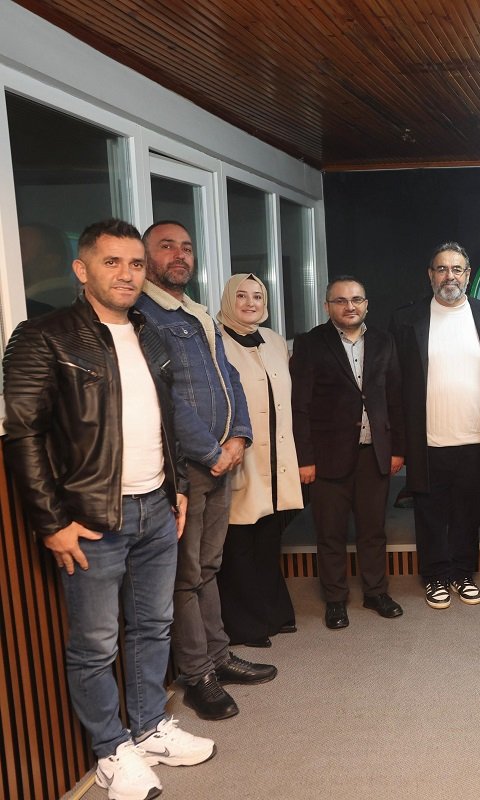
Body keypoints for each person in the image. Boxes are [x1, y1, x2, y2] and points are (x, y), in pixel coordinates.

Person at [3, 218, 215, 800]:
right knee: (96, 643)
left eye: (136, 263)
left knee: (153, 626)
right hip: (92, 518)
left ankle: (147, 729)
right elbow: (22, 435)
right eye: (112, 262)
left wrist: (175, 487)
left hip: (155, 508)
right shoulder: (43, 336)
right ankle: (110, 750)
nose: (127, 274)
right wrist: (51, 523)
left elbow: (166, 420)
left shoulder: (150, 333)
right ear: (82, 269)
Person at [137, 221, 276, 721]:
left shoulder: (194, 312)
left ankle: (218, 656)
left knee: (209, 566)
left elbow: (229, 376)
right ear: (146, 256)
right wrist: (210, 450)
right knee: (186, 574)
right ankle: (197, 674)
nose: (179, 255)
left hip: (222, 459)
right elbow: (165, 397)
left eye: (187, 248)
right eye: (166, 247)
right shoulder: (144, 315)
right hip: (187, 468)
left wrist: (238, 436)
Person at [292, 275, 407, 629]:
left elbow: (395, 398)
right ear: (327, 306)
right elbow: (301, 405)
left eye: (356, 299)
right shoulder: (311, 343)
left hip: (374, 453)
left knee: (373, 530)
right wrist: (305, 459)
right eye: (340, 300)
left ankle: (376, 592)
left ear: (366, 304)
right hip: (327, 457)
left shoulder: (385, 342)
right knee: (330, 532)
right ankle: (335, 599)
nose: (349, 306)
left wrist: (397, 448)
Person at [390, 243, 480, 609]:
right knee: (430, 511)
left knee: (470, 510)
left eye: (457, 269)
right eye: (442, 269)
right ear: (430, 275)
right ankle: (435, 575)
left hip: (475, 436)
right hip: (428, 438)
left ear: (468, 274)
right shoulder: (407, 320)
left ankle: (463, 572)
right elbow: (395, 384)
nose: (449, 276)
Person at [215, 274, 302, 646]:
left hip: (276, 456)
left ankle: (273, 613)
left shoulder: (274, 340)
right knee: (238, 542)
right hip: (239, 455)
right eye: (241, 296)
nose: (250, 303)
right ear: (228, 299)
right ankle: (245, 626)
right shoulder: (215, 340)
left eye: (257, 296)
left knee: (268, 537)